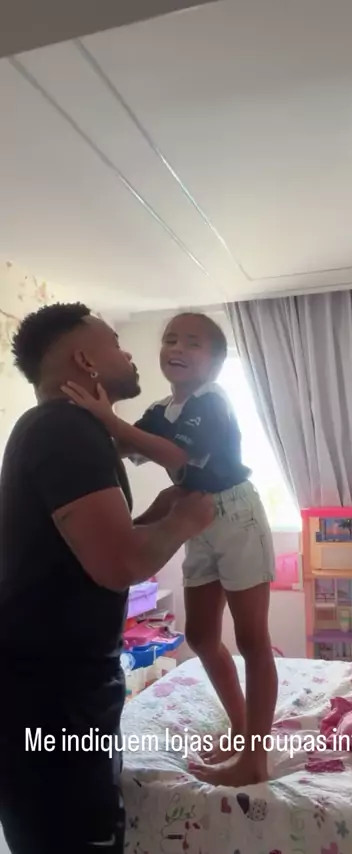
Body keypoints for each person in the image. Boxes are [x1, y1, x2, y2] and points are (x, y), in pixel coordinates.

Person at [0, 303, 214, 854]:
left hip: (56, 687)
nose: (130, 354)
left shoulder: (62, 430)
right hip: (52, 698)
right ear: (84, 360)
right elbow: (118, 564)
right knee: (75, 836)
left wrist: (156, 517)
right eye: (116, 343)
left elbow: (85, 550)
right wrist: (184, 522)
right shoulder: (64, 430)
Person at [62, 312, 278, 788]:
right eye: (171, 339)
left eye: (193, 343)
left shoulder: (211, 401)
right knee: (199, 635)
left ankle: (255, 757)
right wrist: (89, 421)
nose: (177, 348)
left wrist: (109, 418)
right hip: (194, 515)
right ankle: (241, 727)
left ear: (216, 363)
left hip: (236, 514)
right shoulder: (161, 411)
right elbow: (125, 445)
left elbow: (177, 455)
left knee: (252, 640)